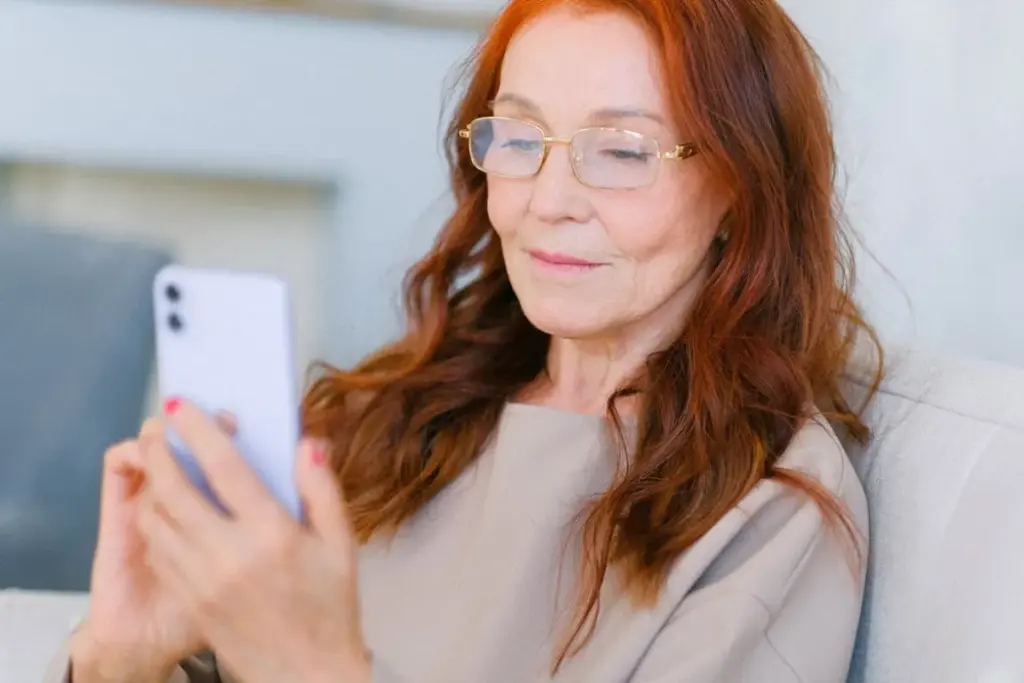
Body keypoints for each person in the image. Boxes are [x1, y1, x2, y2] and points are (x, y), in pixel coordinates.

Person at [47, 0, 884, 681]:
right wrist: (121, 658)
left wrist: (315, 669)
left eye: (622, 151)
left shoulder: (772, 509)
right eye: (518, 139)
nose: (547, 198)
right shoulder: (395, 415)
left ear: (742, 184)